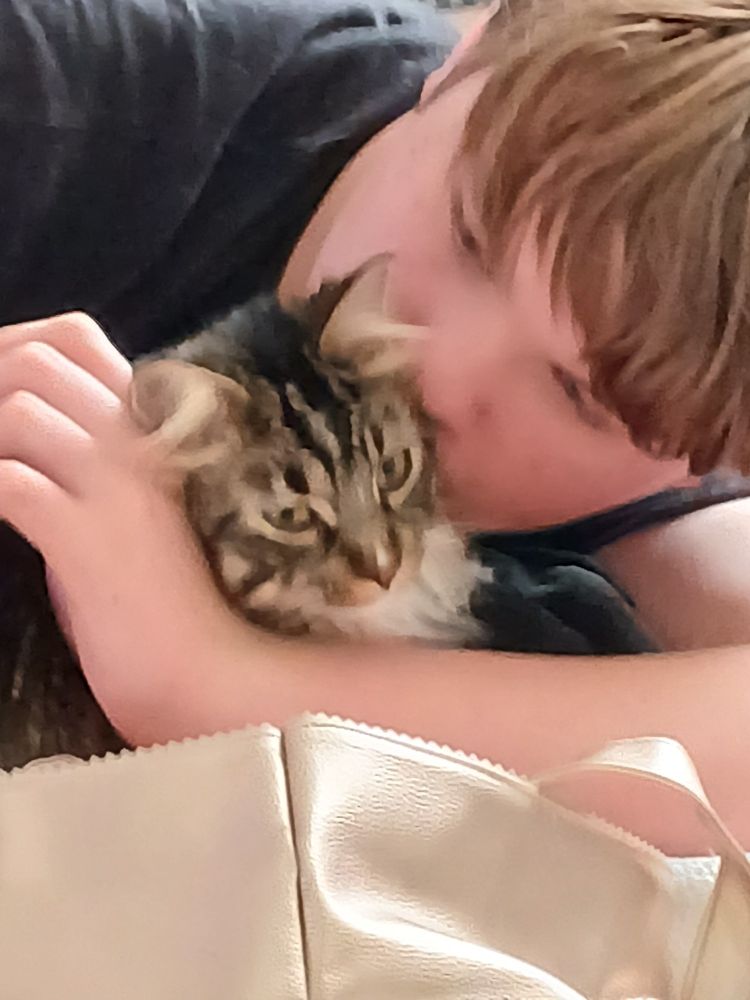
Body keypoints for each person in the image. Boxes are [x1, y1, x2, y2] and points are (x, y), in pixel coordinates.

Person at [1, 0, 750, 855]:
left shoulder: (695, 384)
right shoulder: (73, 86)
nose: (432, 369)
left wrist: (220, 683)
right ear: (467, 51)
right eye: (472, 235)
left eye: (573, 394)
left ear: (702, 467)